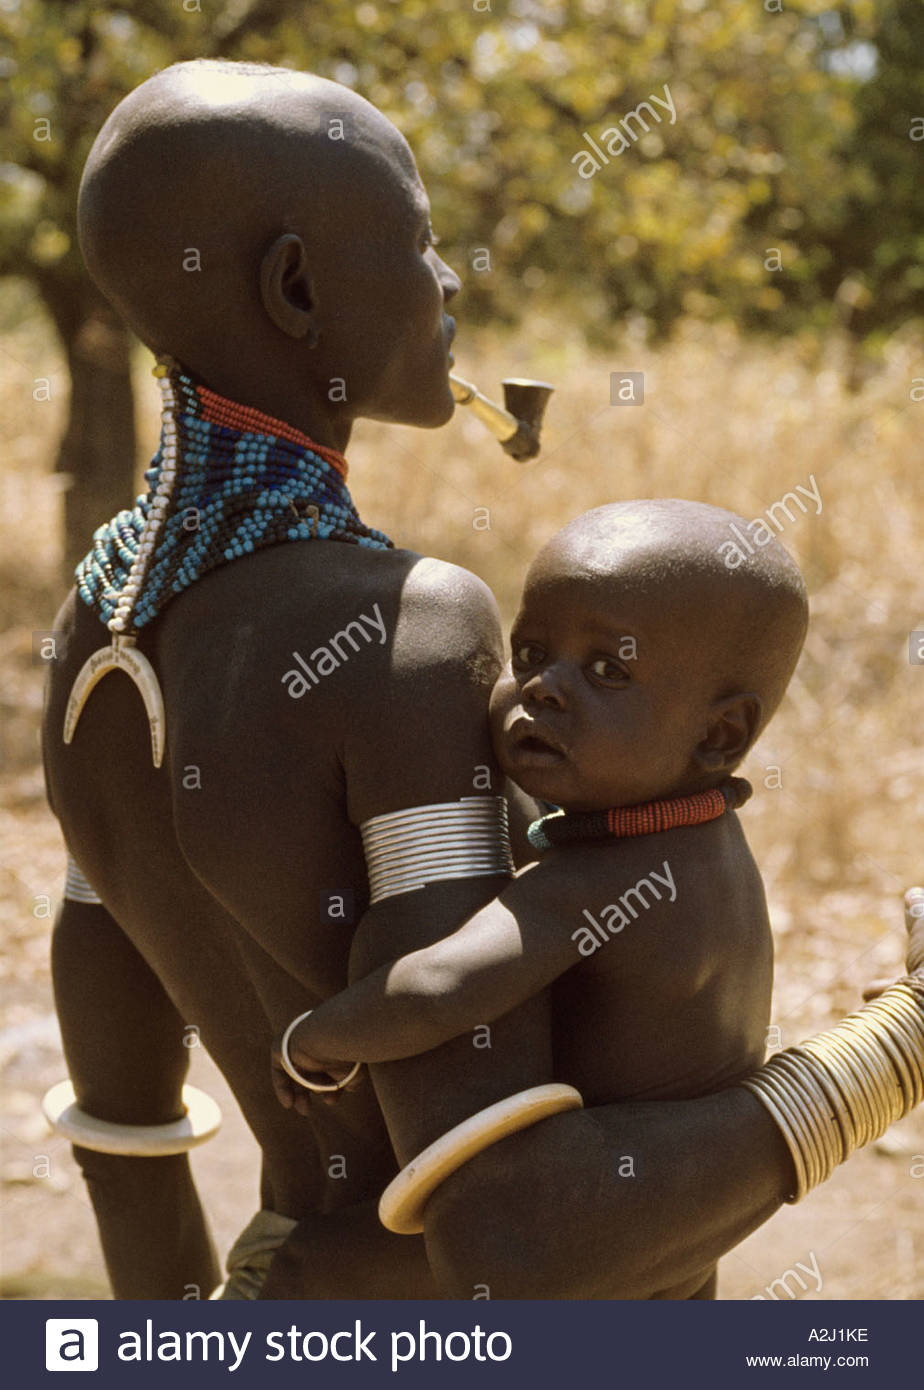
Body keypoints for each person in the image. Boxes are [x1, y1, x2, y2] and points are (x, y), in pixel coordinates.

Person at [41, 58, 923, 1303]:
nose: (448, 281)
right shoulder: (405, 625)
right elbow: (515, 1241)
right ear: (299, 288)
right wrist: (897, 1044)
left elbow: (123, 1128)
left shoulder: (95, 627)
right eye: (420, 237)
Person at [272, 499, 804, 1138]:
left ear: (720, 733)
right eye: (528, 653)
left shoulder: (611, 878)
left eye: (607, 670)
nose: (541, 687)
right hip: (680, 1185)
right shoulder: (701, 842)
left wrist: (313, 1040)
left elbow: (442, 988)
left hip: (604, 1201)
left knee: (314, 1244)